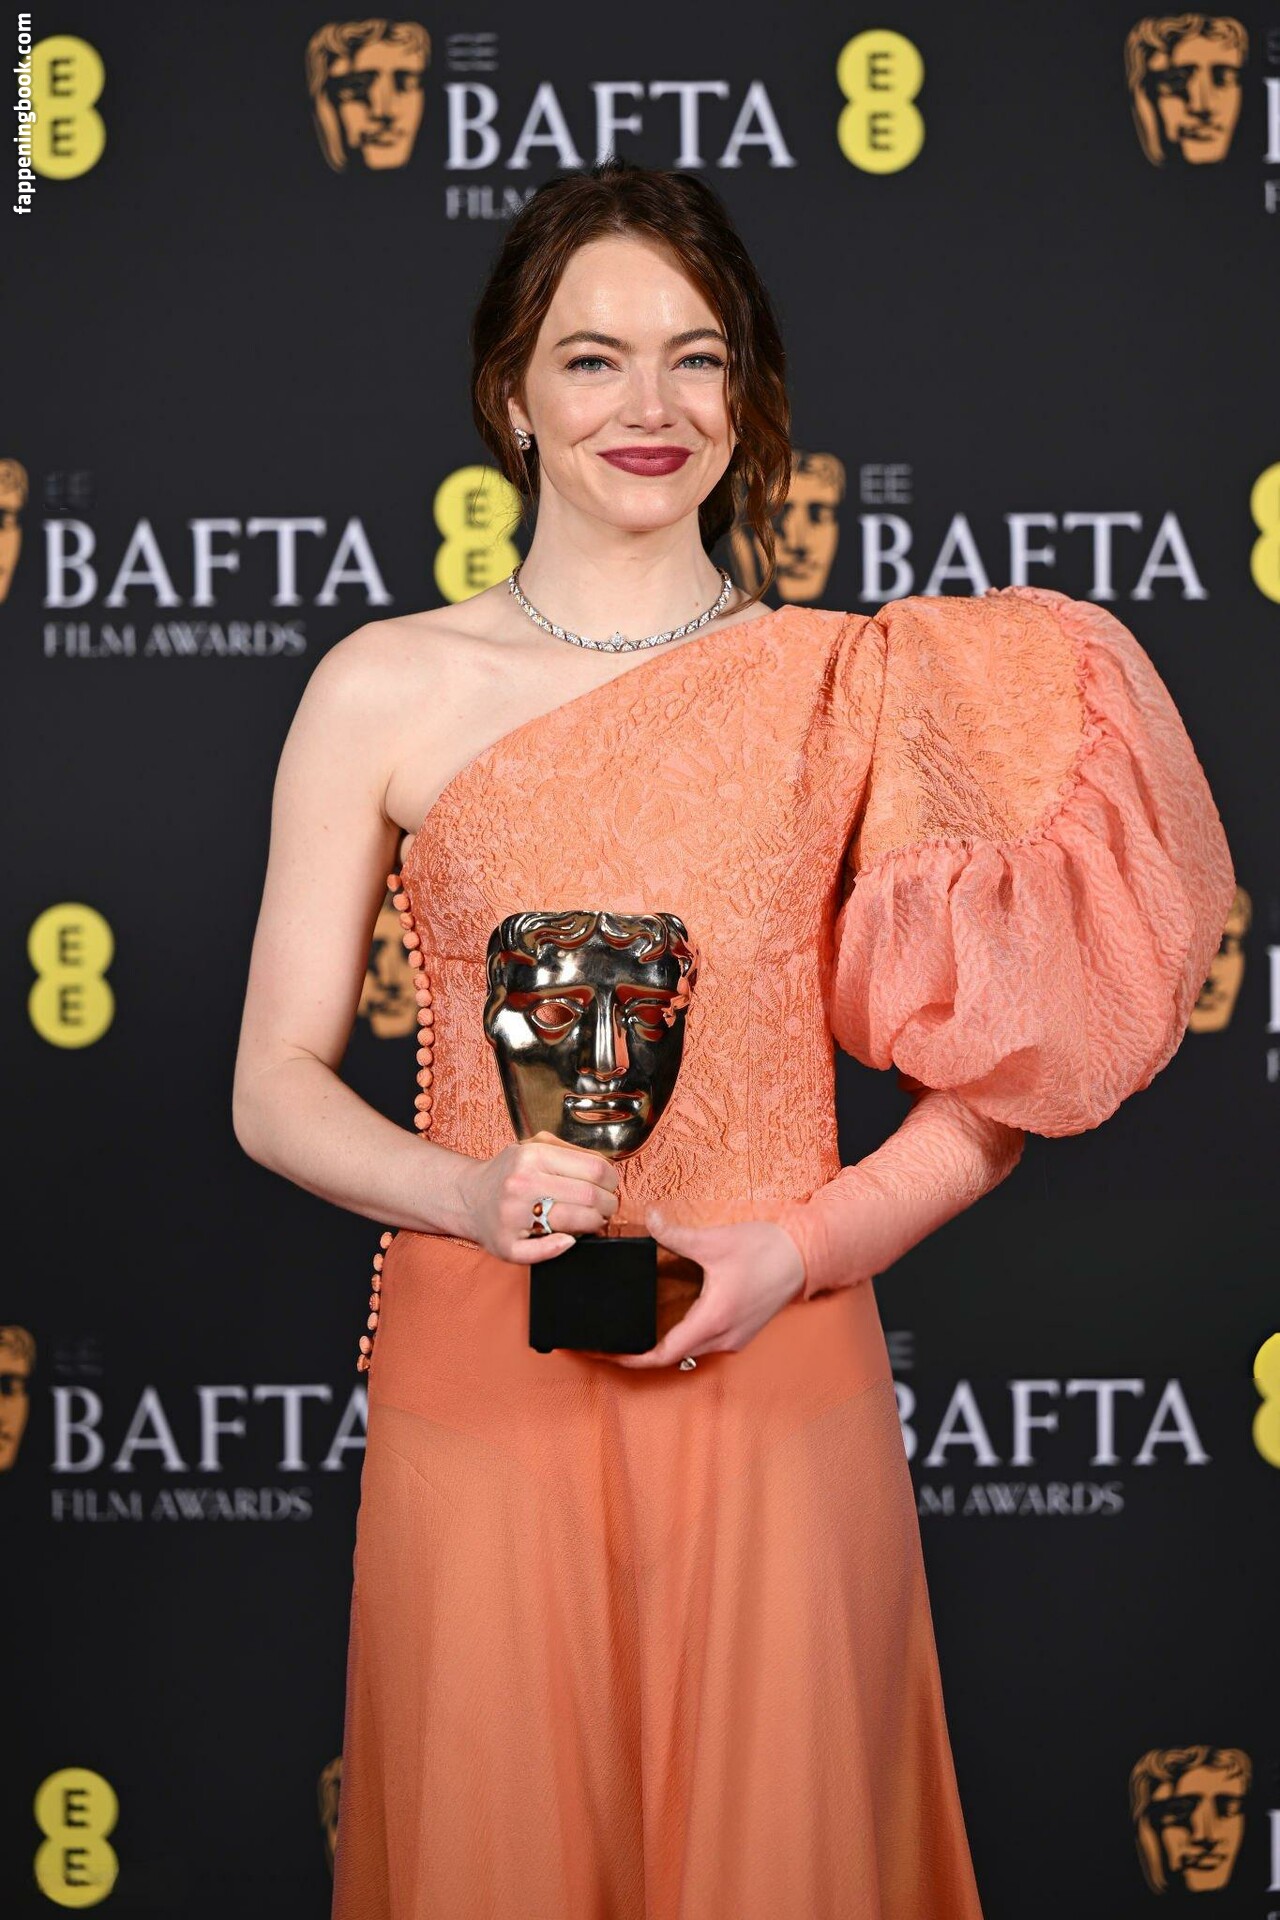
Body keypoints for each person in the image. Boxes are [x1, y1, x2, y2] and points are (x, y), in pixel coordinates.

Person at [231, 159, 1235, 1919]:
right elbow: (272, 1087)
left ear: (747, 391)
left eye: (696, 358)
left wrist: (803, 1247)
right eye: (594, 358)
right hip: (485, 1381)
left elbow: (991, 1098)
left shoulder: (859, 687)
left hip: (776, 1373)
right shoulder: (381, 687)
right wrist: (467, 1193)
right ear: (511, 395)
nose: (652, 405)